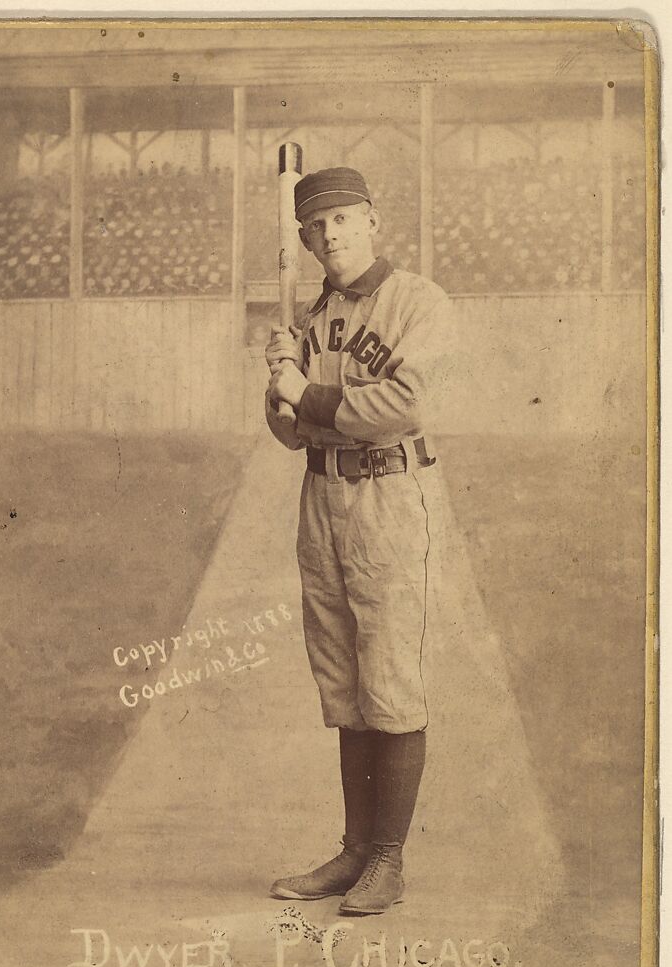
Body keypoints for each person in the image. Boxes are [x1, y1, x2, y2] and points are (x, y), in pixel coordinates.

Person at [264, 166, 451, 916]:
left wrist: (304, 394)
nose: (330, 233)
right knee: (342, 680)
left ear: (372, 219)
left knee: (389, 677)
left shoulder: (417, 301)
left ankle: (388, 859)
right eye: (316, 225)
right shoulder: (308, 320)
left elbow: (402, 404)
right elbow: (285, 431)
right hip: (322, 494)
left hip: (388, 496)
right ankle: (352, 850)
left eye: (343, 218)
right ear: (305, 240)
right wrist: (278, 373)